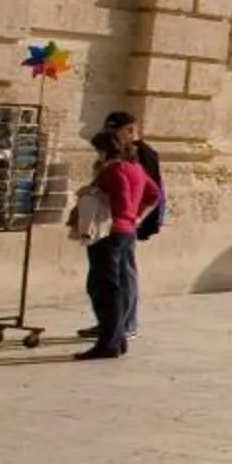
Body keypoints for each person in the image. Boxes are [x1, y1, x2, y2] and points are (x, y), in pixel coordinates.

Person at [80, 109, 165, 340]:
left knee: (121, 278)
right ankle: (111, 324)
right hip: (123, 224)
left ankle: (124, 324)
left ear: (127, 130)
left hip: (120, 225)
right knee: (107, 280)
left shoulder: (136, 157)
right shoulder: (120, 162)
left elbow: (142, 194)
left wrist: (137, 218)